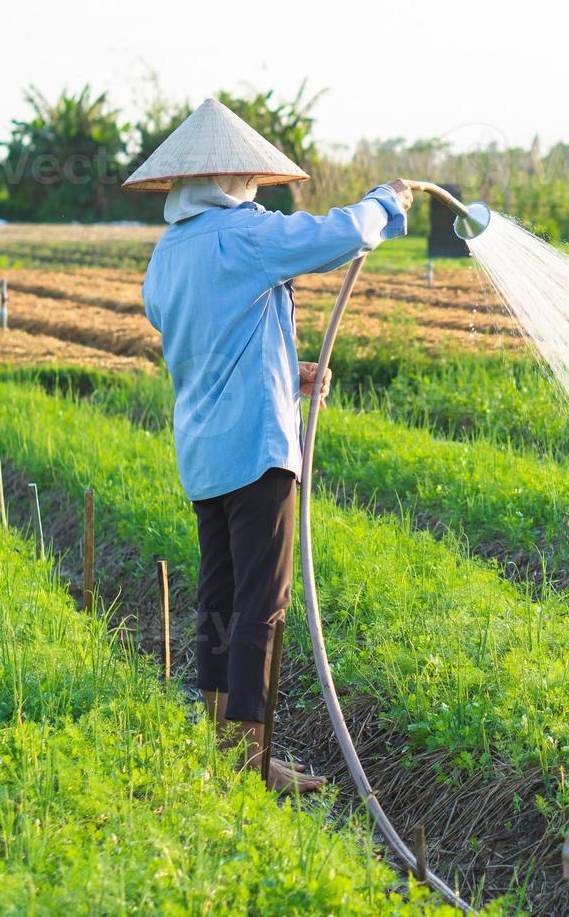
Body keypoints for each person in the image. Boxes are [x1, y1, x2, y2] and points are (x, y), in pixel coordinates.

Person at [124, 98, 413, 794]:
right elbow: (336, 236)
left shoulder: (168, 257)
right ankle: (252, 762)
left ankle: (224, 747)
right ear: (227, 178)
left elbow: (210, 344)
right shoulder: (241, 235)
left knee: (221, 600)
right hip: (256, 450)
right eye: (246, 178)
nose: (253, 189)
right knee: (262, 604)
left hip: (203, 453)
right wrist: (387, 199)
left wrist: (290, 368)